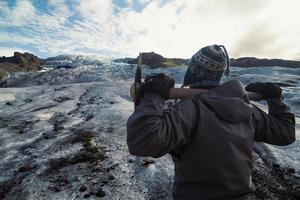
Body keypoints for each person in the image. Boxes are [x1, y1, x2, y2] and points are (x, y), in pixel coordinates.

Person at [126, 45, 295, 200]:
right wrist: (276, 100)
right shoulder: (249, 110)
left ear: (194, 70)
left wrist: (153, 97)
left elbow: (142, 143)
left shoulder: (188, 110)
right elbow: (285, 134)